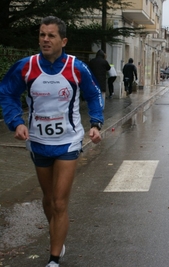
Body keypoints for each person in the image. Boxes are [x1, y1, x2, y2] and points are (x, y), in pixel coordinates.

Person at [0, 16, 104, 267]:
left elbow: (94, 94)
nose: (45, 40)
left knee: (59, 201)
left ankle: (54, 259)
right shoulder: (26, 66)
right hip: (37, 141)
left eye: (51, 36)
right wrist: (17, 122)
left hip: (68, 142)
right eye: (42, 35)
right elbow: (7, 93)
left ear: (63, 40)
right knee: (48, 200)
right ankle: (58, 231)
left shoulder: (75, 67)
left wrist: (96, 124)